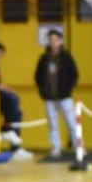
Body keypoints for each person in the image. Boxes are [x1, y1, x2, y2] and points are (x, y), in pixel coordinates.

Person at [34, 29, 79, 158]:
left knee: (71, 122)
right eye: (50, 39)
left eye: (55, 39)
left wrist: (68, 88)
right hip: (49, 97)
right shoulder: (44, 58)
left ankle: (78, 146)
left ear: (60, 41)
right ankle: (55, 148)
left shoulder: (66, 57)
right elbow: (38, 75)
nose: (53, 42)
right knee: (52, 124)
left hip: (64, 96)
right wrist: (42, 90)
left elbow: (74, 74)